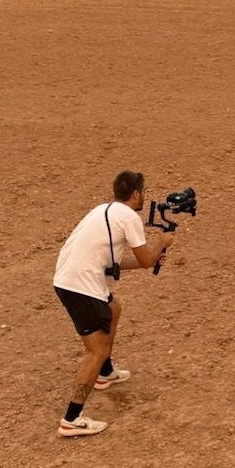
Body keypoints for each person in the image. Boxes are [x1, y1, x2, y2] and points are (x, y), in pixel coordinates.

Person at [52, 171, 175, 438]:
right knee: (96, 350)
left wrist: (152, 257)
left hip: (72, 277)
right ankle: (72, 418)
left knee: (113, 307)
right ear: (136, 194)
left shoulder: (105, 211)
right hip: (80, 285)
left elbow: (115, 264)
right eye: (143, 192)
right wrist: (160, 244)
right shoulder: (129, 217)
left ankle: (105, 373)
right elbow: (144, 259)